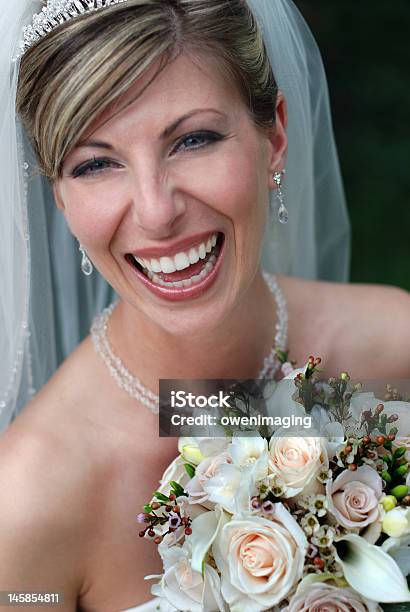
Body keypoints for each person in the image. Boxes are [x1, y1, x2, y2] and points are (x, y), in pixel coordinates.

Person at [0, 1, 408, 610]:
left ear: (274, 136)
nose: (156, 211)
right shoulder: (29, 500)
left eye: (193, 139)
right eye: (95, 164)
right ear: (60, 198)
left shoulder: (395, 349)